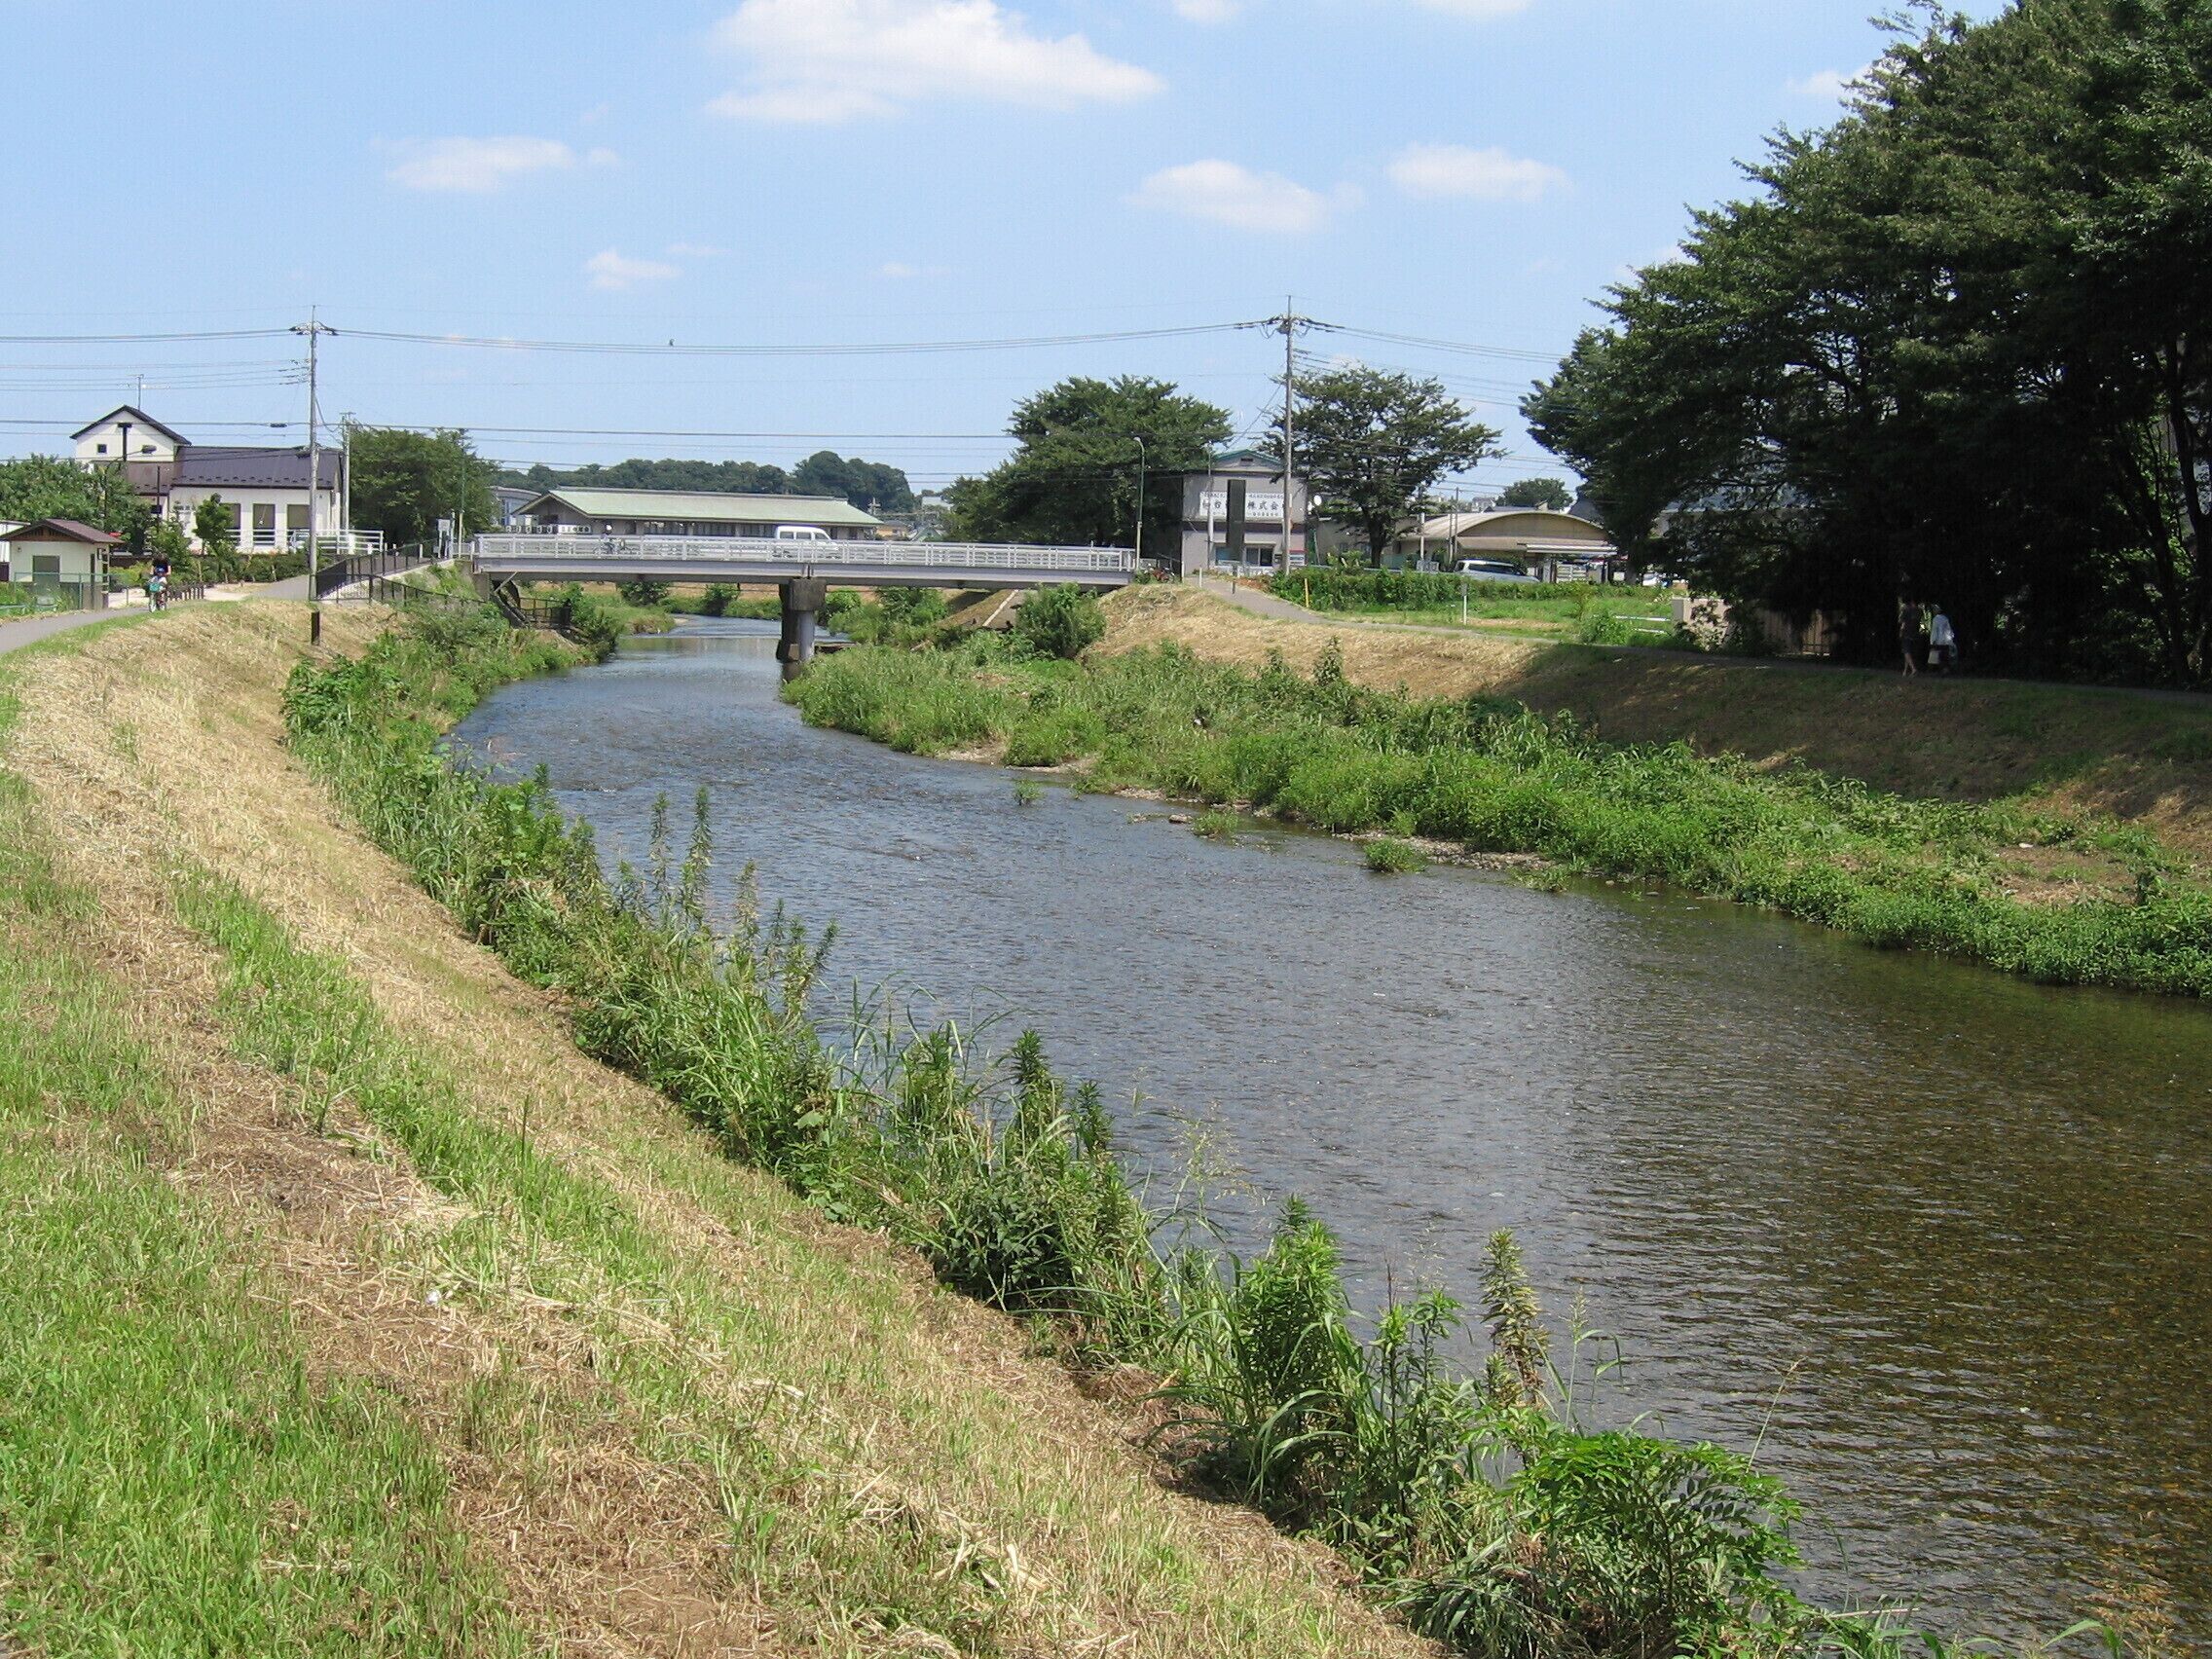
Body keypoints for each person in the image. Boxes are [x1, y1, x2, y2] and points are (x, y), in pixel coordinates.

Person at [1929, 607, 1957, 674]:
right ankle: (1946, 670)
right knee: (1945, 657)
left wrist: (1933, 640)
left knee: (1938, 657)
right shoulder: (1945, 618)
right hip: (1946, 641)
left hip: (1938, 641)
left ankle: (1939, 671)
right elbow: (1948, 629)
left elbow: (1935, 630)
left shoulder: (1936, 619)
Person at [1899, 603, 1923, 676]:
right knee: (1909, 652)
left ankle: (1913, 668)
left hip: (1906, 633)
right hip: (1915, 633)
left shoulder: (1905, 611)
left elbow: (1902, 623)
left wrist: (1901, 632)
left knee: (1906, 651)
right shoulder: (1918, 611)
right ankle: (1905, 671)